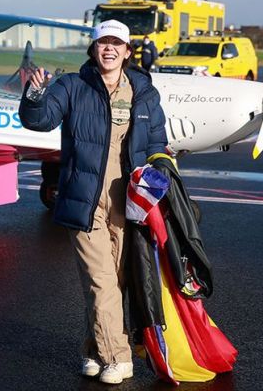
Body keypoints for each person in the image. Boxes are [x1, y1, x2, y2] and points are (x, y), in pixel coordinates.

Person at [18, 20, 167, 384]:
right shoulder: (72, 85)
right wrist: (35, 94)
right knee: (100, 280)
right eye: (103, 43)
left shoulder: (144, 92)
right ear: (93, 48)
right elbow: (38, 120)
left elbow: (157, 143)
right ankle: (118, 356)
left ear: (128, 51)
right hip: (83, 199)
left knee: (114, 282)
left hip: (126, 201)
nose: (110, 49)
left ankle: (91, 350)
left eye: (117, 43)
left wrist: (159, 182)